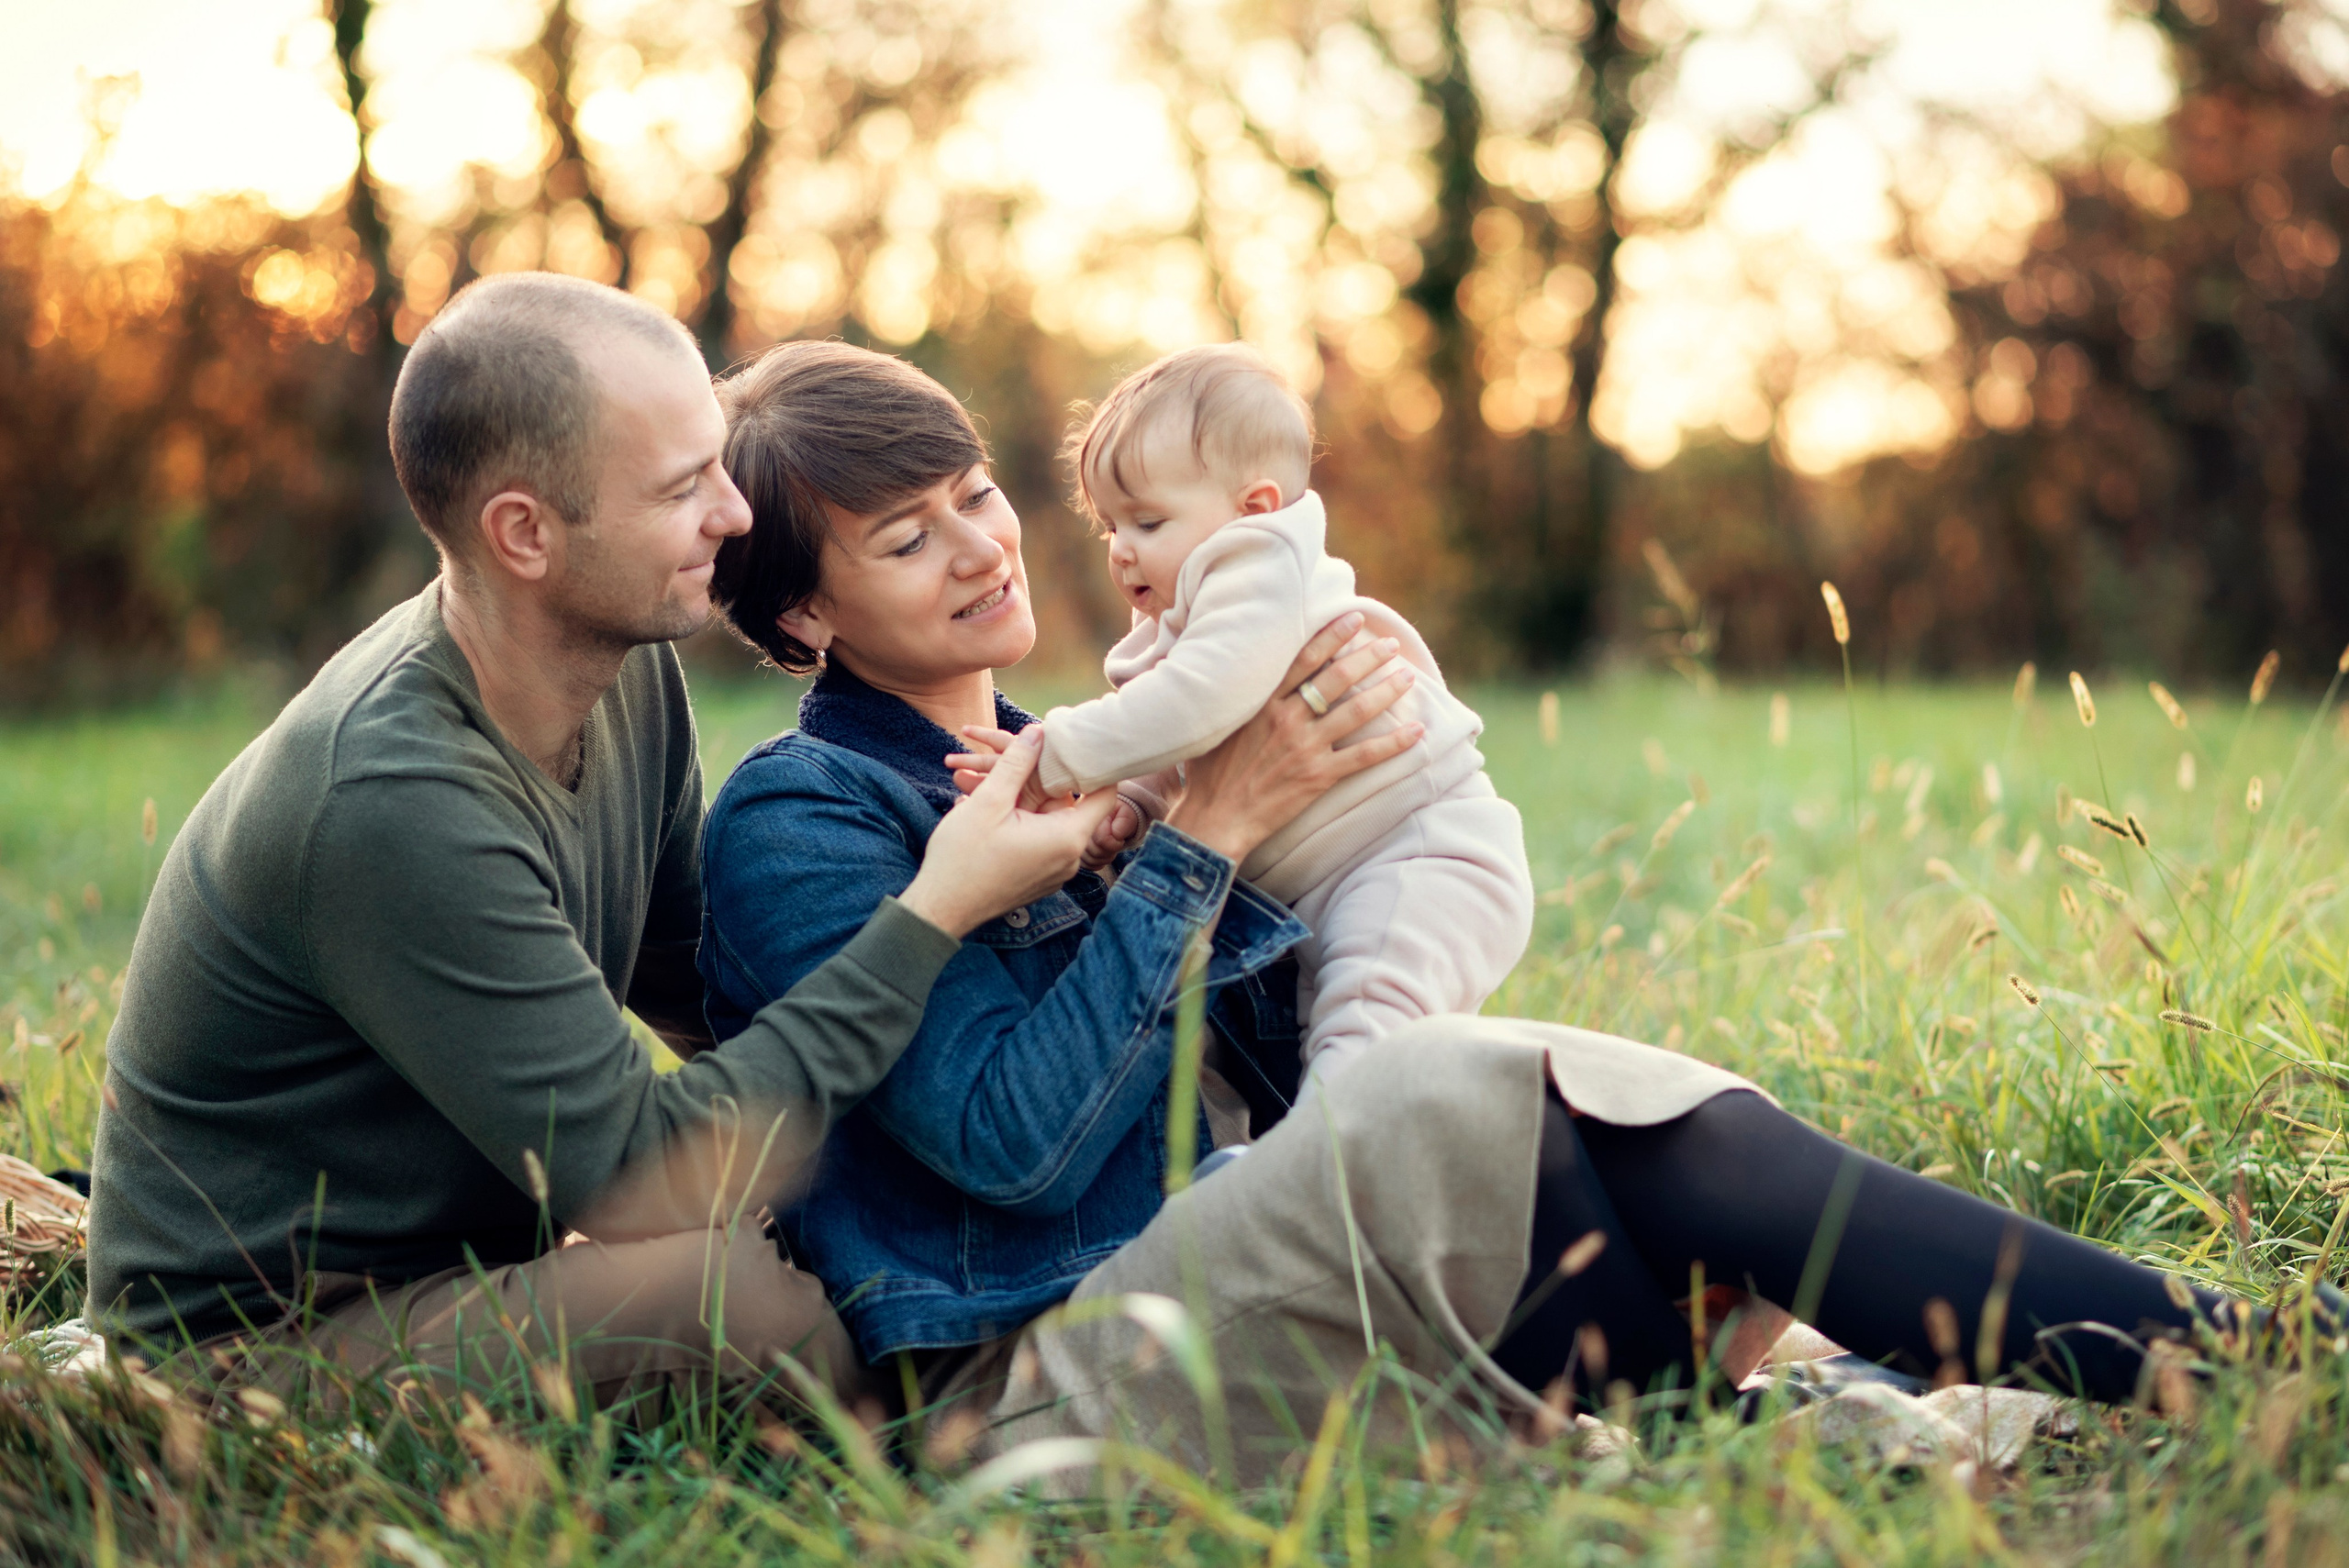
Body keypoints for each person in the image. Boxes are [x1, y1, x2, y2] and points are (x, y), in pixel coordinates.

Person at [701, 339, 2282, 1485]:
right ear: (800, 609)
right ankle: (2218, 1350)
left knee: (1621, 1149)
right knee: (1472, 1095)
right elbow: (1010, 1144)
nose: (981, 545)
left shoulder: (1091, 735)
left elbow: (1235, 1032)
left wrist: (1329, 751)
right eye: (907, 539)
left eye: (974, 493)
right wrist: (1221, 825)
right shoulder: (802, 816)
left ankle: (2233, 1349)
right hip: (1062, 1363)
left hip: (1242, 1236)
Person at [84, 272, 1119, 1417]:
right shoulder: (391, 796)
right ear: (525, 533)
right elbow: (638, 1177)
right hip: (262, 1343)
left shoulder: (628, 676)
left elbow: (697, 982)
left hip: (487, 1253)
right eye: (685, 488)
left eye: (720, 464)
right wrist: (933, 910)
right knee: (751, 1307)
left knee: (819, 1232)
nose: (735, 517)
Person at [955, 343, 1533, 1089]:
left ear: (1252, 509)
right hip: (1329, 885)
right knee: (1305, 1064)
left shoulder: (1262, 566)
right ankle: (1306, 1175)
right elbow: (1186, 750)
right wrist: (1131, 808)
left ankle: (1314, 1182)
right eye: (1110, 528)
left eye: (1148, 522)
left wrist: (1054, 752)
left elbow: (1200, 702)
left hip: (1418, 856)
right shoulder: (1182, 618)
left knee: (1364, 1046)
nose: (1122, 552)